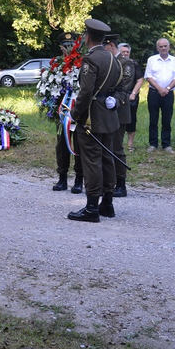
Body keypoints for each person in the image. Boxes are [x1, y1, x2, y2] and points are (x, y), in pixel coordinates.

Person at [68, 19, 122, 222]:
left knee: (91, 161)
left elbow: (86, 92)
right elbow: (118, 86)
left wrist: (75, 114)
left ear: (87, 37)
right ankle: (107, 203)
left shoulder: (91, 59)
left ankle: (92, 208)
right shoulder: (113, 58)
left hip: (92, 118)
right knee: (107, 159)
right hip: (109, 117)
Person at [53, 33, 82, 193]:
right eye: (65, 45)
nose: (68, 48)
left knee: (79, 146)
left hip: (78, 114)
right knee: (62, 146)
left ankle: (79, 180)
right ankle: (62, 178)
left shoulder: (81, 63)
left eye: (71, 45)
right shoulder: (56, 65)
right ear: (61, 47)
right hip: (62, 113)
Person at [144, 38, 175, 152]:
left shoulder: (174, 60)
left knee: (167, 119)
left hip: (168, 94)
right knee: (153, 119)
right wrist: (160, 89)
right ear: (157, 48)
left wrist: (167, 88)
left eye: (165, 46)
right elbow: (148, 77)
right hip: (154, 93)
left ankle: (166, 144)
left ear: (169, 47)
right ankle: (153, 144)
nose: (163, 48)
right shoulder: (152, 60)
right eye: (161, 46)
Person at [110, 36, 135, 197]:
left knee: (117, 148)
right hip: (106, 111)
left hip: (119, 109)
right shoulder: (109, 61)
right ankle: (109, 181)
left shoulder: (126, 63)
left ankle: (121, 183)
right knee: (108, 147)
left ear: (111, 46)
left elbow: (125, 86)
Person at [120, 43, 145, 152]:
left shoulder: (134, 64)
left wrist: (134, 93)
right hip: (117, 96)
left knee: (131, 120)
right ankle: (118, 143)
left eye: (127, 52)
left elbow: (140, 80)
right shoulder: (114, 63)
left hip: (131, 95)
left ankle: (130, 144)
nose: (125, 54)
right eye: (123, 52)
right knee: (117, 120)